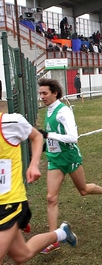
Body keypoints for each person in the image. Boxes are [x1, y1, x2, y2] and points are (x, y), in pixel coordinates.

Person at [38, 78, 102, 254]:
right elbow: (55, 136)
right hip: (55, 159)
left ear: (55, 93)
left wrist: (49, 135)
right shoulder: (48, 110)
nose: (41, 96)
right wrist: (47, 144)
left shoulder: (63, 111)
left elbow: (73, 137)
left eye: (44, 93)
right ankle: (54, 238)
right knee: (51, 198)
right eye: (40, 93)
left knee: (83, 190)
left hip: (70, 157)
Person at [0, 112, 77, 263]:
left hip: (8, 203)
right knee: (22, 255)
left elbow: (37, 137)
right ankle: (61, 233)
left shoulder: (10, 122)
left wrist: (34, 164)